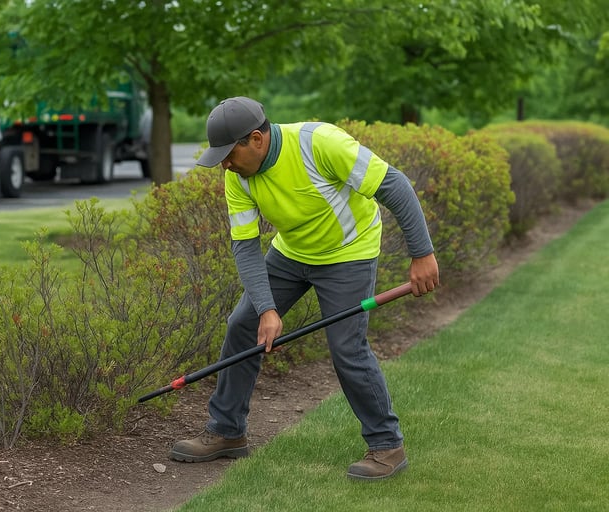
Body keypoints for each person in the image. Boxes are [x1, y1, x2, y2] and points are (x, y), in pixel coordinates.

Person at [170, 97, 439, 480]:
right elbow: (245, 246)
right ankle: (227, 431)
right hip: (292, 252)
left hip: (348, 252)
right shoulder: (237, 176)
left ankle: (386, 445)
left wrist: (422, 254)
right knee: (243, 324)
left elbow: (393, 184)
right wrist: (266, 309)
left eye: (229, 154)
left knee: (347, 347)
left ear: (257, 139)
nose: (225, 165)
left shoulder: (319, 143)